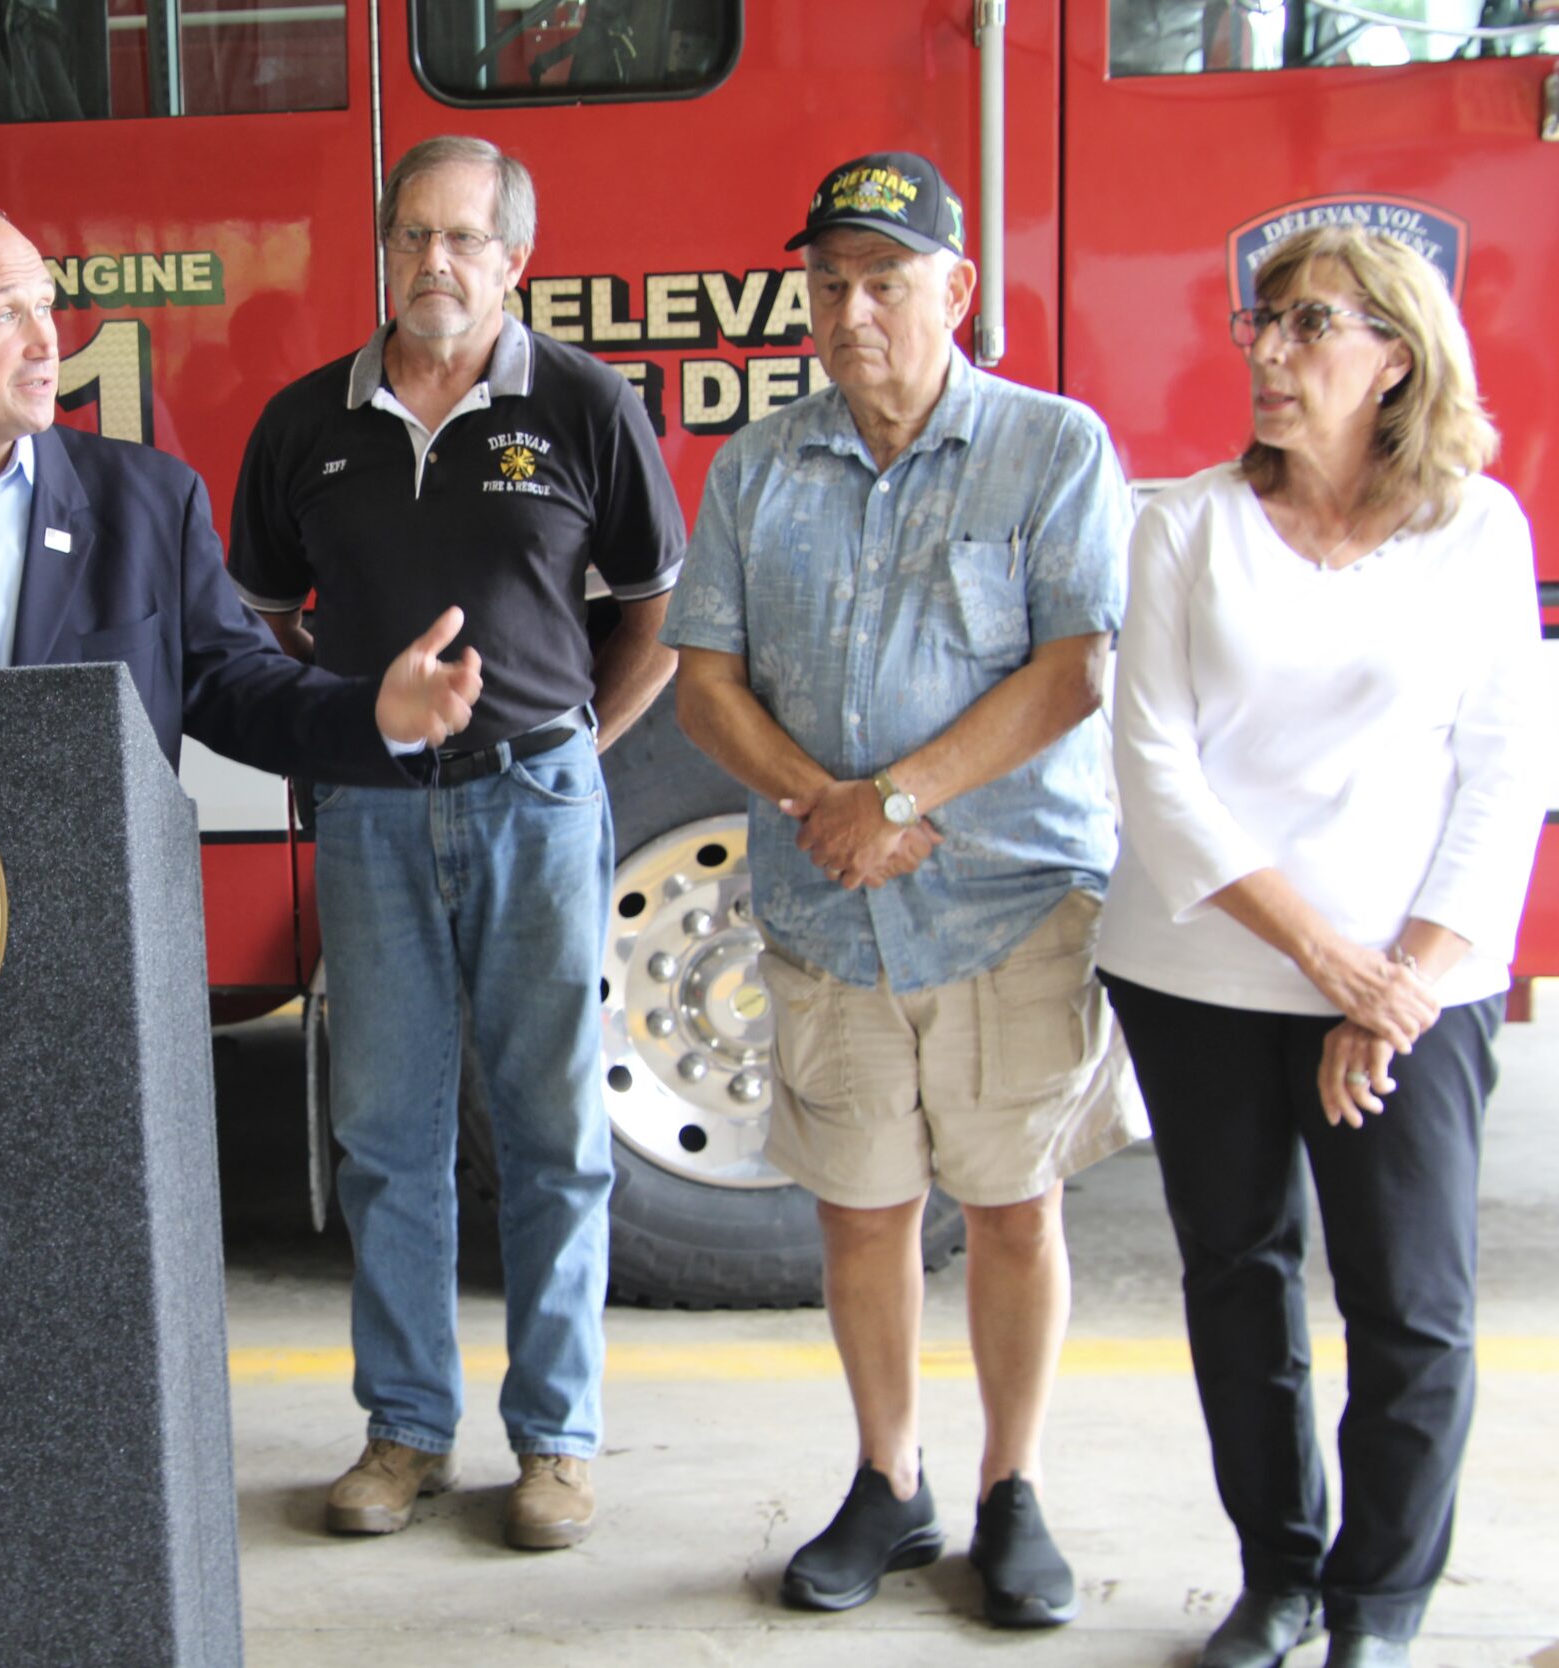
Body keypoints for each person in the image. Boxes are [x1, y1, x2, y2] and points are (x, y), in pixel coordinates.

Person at [661, 151, 1143, 1625]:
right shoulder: (759, 467)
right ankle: (892, 1483)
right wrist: (832, 808)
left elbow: (1076, 669)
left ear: (957, 289)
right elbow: (704, 687)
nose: (852, 309)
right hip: (829, 914)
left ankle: (1013, 1491)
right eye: (829, 283)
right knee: (861, 1214)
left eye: (885, 279)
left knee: (1011, 1208)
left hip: (1008, 909)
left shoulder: (1054, 449)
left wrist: (905, 798)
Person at [226, 135, 685, 1552]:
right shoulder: (308, 424)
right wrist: (367, 722)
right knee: (386, 1136)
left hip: (537, 803)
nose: (436, 262)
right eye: (413, 235)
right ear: (384, 248)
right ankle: (406, 1432)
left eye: (465, 240)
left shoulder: (589, 407)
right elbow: (269, 616)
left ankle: (556, 1444)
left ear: (515, 259)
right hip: (370, 813)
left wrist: (569, 754)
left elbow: (656, 621)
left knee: (552, 1130)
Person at [1097, 226, 1543, 1668]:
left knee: (1413, 1303)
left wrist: (1395, 983)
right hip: (1206, 972)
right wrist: (1330, 966)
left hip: (1422, 988)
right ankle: (1279, 1578)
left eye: (1310, 326)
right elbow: (1157, 772)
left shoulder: (1478, 530)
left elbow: (1504, 771)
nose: (1270, 354)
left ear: (1397, 354)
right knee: (1240, 1281)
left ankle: (1380, 1607)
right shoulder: (1186, 524)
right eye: (1260, 323)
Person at [0, 200, 483, 789]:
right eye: (5, 315)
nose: (47, 341)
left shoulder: (148, 502)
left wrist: (377, 716)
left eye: (44, 306)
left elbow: (238, 688)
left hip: (100, 941)